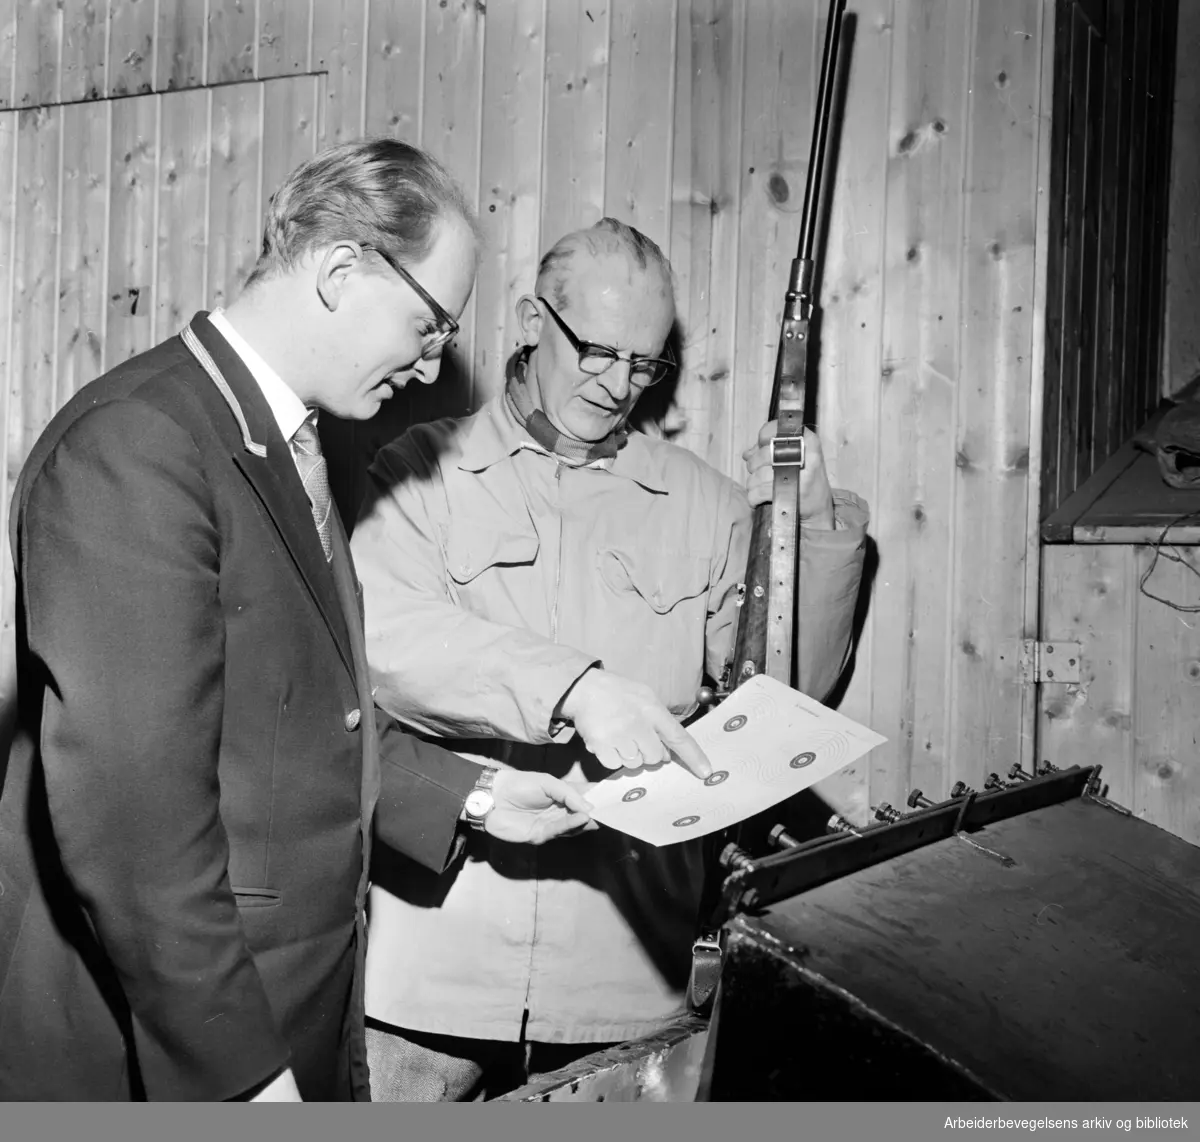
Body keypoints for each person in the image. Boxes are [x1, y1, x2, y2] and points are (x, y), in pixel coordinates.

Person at [0, 139, 593, 1103]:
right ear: (340, 269)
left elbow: (297, 713)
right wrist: (241, 1078)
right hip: (172, 1044)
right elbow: (134, 823)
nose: (437, 359)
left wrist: (469, 799)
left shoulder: (306, 445)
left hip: (286, 1004)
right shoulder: (137, 448)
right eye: (430, 322)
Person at [351, 217, 870, 1101]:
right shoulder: (417, 474)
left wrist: (810, 528)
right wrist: (573, 690)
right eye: (595, 350)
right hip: (434, 971)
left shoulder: (703, 504)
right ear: (529, 319)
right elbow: (388, 648)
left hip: (624, 972)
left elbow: (787, 693)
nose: (617, 384)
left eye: (645, 363)